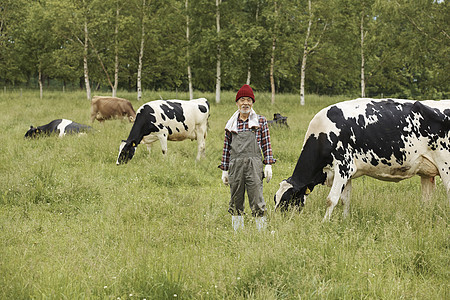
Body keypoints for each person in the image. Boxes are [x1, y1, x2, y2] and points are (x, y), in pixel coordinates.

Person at [219, 84, 276, 231]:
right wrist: (224, 169)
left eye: (249, 100)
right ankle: (238, 233)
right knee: (236, 199)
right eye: (242, 100)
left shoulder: (260, 121)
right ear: (237, 103)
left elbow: (266, 144)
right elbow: (226, 148)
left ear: (253, 103)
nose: (246, 103)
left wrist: (268, 164)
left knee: (257, 198)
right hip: (235, 166)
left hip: (254, 165)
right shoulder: (231, 124)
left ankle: (261, 232)